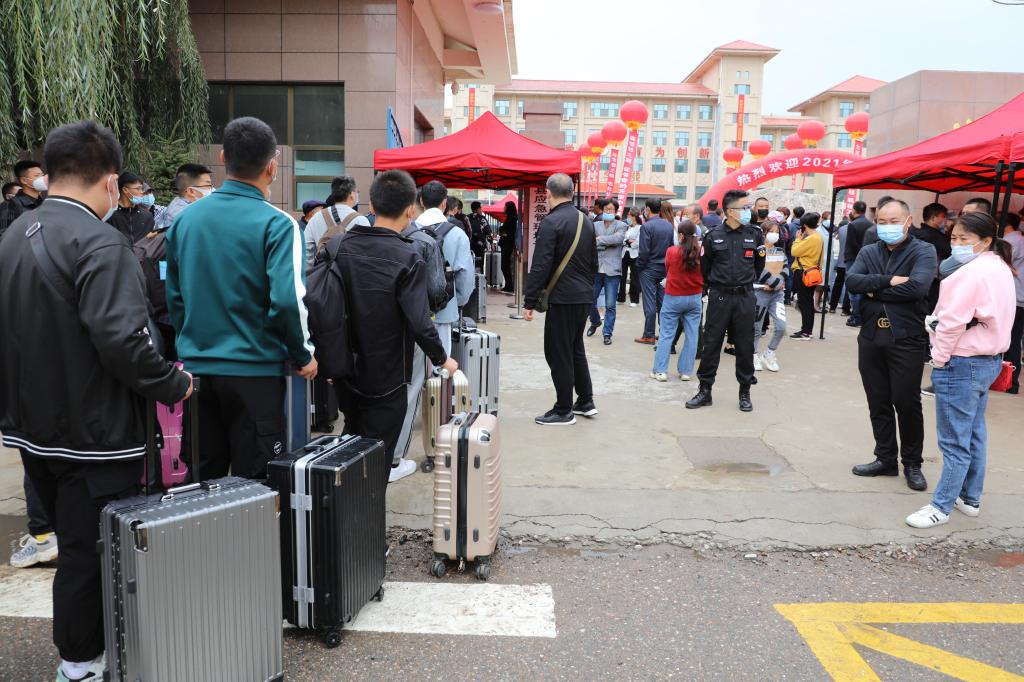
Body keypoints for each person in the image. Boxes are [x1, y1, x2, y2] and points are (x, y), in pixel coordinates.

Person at [0, 120, 192, 682]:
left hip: (33, 425)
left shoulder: (15, 233)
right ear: (111, 181)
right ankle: (81, 663)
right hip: (95, 433)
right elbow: (123, 342)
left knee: (74, 544)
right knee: (91, 552)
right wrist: (173, 383)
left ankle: (82, 653)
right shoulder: (101, 243)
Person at [166, 116, 316, 481]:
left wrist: (191, 346)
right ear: (272, 166)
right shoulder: (279, 224)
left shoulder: (185, 221)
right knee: (256, 484)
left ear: (223, 157)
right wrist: (303, 354)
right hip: (255, 372)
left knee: (202, 482)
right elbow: (287, 300)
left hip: (199, 372)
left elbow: (175, 297)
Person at [332, 170, 457, 483]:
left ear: (371, 206)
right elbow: (419, 321)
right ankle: (368, 508)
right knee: (379, 454)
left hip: (346, 369)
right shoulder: (408, 256)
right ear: (410, 210)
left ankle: (346, 503)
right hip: (387, 375)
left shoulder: (338, 247)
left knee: (352, 439)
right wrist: (443, 358)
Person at [905, 212, 1015, 528]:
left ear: (986, 240)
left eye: (964, 239)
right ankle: (969, 498)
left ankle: (941, 506)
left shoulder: (971, 273)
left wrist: (939, 359)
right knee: (974, 434)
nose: (957, 244)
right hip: (987, 360)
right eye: (954, 238)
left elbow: (951, 323)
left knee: (954, 441)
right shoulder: (1000, 268)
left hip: (962, 361)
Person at [846, 198, 936, 492]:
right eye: (882, 222)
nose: (887, 227)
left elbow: (918, 287)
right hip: (872, 335)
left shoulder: (923, 250)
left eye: (894, 221)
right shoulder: (869, 250)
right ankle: (885, 458)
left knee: (906, 402)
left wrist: (875, 289)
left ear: (908, 221)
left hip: (906, 337)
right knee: (878, 400)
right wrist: (890, 280)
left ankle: (912, 463)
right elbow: (853, 281)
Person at [523, 173, 598, 426]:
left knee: (558, 353)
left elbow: (541, 264)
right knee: (575, 348)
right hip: (583, 296)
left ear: (548, 193)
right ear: (573, 191)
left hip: (563, 298)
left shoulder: (551, 222)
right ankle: (585, 400)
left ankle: (564, 409)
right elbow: (594, 263)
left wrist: (529, 301)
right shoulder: (586, 221)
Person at [687, 189, 765, 412]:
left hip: (745, 297)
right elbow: (705, 268)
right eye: (745, 208)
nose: (749, 211)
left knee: (744, 345)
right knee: (712, 343)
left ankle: (745, 392)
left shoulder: (754, 234)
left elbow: (758, 266)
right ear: (730, 211)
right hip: (720, 297)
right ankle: (705, 390)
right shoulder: (713, 236)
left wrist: (744, 282)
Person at [651, 219, 703, 381]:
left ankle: (660, 370)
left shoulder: (672, 251)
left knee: (666, 334)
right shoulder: (701, 252)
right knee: (692, 335)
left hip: (673, 296)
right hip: (695, 297)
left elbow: (668, 269)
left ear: (680, 235)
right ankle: (686, 371)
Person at [303, 175, 370, 271]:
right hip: (350, 275)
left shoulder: (316, 218)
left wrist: (311, 273)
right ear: (352, 194)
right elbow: (366, 254)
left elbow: (306, 248)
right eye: (357, 192)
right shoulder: (361, 220)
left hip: (323, 275)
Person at [587, 198, 627, 345]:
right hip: (597, 268)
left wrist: (599, 240)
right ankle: (595, 321)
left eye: (611, 209)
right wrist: (607, 241)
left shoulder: (621, 225)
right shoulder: (595, 225)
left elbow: (618, 239)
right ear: (602, 210)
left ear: (616, 211)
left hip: (613, 270)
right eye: (606, 209)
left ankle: (607, 333)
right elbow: (590, 243)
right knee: (589, 299)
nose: (608, 211)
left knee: (610, 305)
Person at [635, 198, 674, 345]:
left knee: (649, 303)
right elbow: (671, 247)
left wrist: (639, 266)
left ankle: (649, 334)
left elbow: (644, 251)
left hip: (649, 268)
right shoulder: (668, 225)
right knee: (662, 303)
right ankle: (664, 333)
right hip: (664, 267)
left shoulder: (647, 226)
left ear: (648, 209)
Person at [754, 218, 787, 372]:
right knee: (756, 327)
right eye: (771, 232)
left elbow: (785, 268)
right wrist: (774, 283)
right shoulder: (758, 251)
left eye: (777, 232)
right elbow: (758, 269)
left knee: (781, 327)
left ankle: (769, 353)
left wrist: (778, 283)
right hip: (760, 292)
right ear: (764, 233)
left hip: (777, 294)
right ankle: (753, 354)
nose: (775, 235)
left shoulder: (780, 251)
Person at [789, 212, 823, 339]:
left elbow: (794, 251)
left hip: (804, 273)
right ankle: (807, 331)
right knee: (807, 302)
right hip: (811, 272)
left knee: (805, 303)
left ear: (804, 225)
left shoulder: (811, 238)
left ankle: (806, 332)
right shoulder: (817, 237)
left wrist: (797, 239)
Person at [153, 162, 213, 229]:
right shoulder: (187, 217)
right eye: (208, 185)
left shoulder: (181, 204)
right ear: (191, 191)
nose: (212, 189)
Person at [1002, 213, 1024, 394]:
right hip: (1020, 297)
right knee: (1015, 341)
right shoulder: (1020, 239)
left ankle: (1007, 382)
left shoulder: (1011, 241)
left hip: (1013, 296)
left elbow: (1000, 263)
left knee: (1009, 341)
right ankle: (1011, 383)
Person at [843, 200, 873, 327]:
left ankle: (856, 317)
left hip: (853, 259)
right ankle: (860, 315)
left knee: (853, 289)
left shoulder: (852, 225)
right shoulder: (870, 224)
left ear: (854, 210)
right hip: (867, 260)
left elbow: (852, 244)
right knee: (863, 288)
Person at [0, 159, 46, 237]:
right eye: (37, 175)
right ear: (24, 180)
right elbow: (4, 236)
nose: (42, 178)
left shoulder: (46, 203)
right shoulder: (9, 205)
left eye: (42, 175)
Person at [106, 171, 155, 244]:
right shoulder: (109, 215)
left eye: (142, 189)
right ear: (125, 190)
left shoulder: (147, 216)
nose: (142, 192)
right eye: (138, 189)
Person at [617, 207, 642, 307]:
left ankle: (634, 300)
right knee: (622, 276)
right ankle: (621, 298)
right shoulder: (627, 227)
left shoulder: (640, 228)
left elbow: (638, 242)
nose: (627, 217)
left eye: (629, 215)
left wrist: (629, 242)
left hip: (634, 254)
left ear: (634, 216)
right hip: (624, 253)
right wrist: (628, 241)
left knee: (634, 277)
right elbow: (622, 239)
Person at [828, 217, 852, 314]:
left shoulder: (841, 229)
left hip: (841, 261)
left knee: (838, 284)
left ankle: (832, 306)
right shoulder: (853, 228)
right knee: (849, 285)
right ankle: (845, 309)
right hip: (851, 261)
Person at [498, 200, 518, 293]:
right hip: (506, 244)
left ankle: (509, 285)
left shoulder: (512, 219)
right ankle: (508, 285)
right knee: (505, 266)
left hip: (507, 245)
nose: (504, 208)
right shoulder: (510, 218)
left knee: (505, 265)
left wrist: (502, 231)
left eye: (505, 207)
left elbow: (506, 232)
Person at [468, 200, 491, 264]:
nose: (481, 210)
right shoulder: (482, 219)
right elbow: (488, 231)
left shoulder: (467, 217)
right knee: (479, 263)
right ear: (478, 209)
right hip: (480, 245)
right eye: (481, 208)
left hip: (469, 245)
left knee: (470, 262)